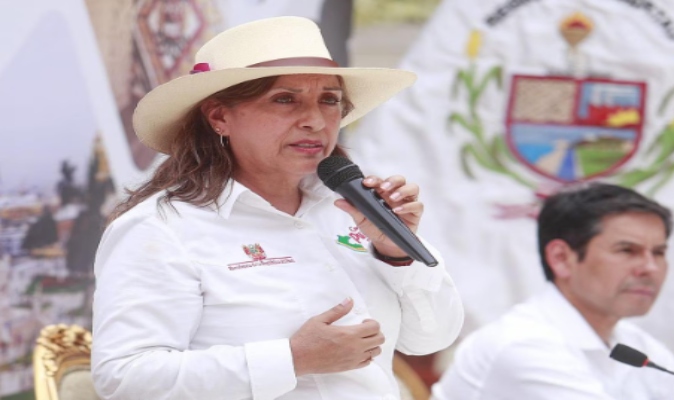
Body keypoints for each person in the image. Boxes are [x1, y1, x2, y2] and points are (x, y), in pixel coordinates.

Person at [91, 16, 464, 400]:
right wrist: (292, 359)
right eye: (285, 99)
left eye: (329, 100)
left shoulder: (351, 209)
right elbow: (124, 378)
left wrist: (397, 253)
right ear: (219, 116)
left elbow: (431, 338)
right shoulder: (160, 228)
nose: (315, 121)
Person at [432, 183, 674, 399]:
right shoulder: (522, 345)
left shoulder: (640, 346)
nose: (650, 268)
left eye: (658, 252)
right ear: (561, 258)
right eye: (627, 250)